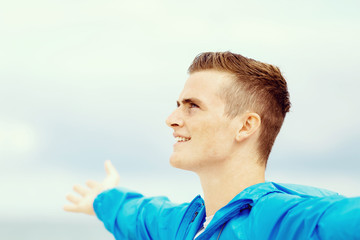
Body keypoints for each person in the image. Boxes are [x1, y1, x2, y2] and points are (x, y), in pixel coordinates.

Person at [64, 52, 360, 239]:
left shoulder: (281, 221)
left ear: (245, 126)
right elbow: (135, 214)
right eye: (178, 104)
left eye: (193, 106)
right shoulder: (181, 224)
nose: (171, 119)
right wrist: (101, 199)